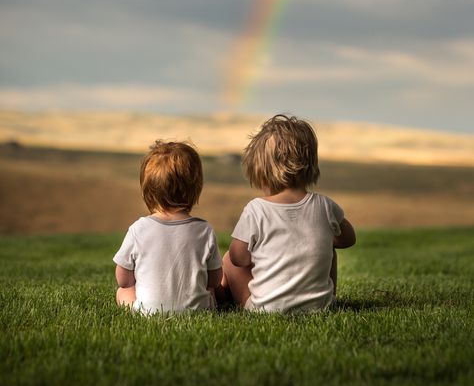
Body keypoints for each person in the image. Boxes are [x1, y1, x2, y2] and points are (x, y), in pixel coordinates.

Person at [221, 114, 356, 312]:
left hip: (267, 309)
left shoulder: (256, 210)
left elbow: (238, 258)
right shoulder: (325, 205)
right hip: (321, 308)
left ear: (261, 172)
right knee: (331, 249)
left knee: (227, 259)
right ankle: (324, 300)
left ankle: (232, 300)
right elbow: (348, 239)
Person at [113, 140, 222, 314]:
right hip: (198, 311)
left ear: (148, 190)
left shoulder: (138, 229)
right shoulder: (205, 230)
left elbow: (123, 280)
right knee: (210, 292)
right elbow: (215, 281)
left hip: (150, 313)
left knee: (123, 292)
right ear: (196, 188)